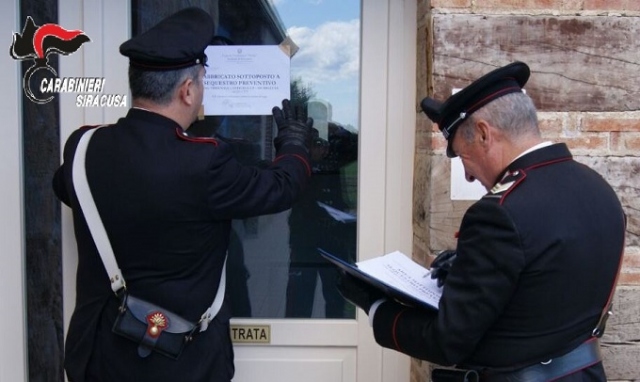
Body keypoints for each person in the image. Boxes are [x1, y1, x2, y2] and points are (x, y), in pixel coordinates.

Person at [52, 7, 312, 382]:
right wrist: (294, 143)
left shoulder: (84, 146)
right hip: (181, 364)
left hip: (97, 359)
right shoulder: (204, 164)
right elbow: (281, 187)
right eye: (202, 82)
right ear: (187, 91)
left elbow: (68, 188)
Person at [336, 61, 626, 381]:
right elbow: (540, 284)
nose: (468, 175)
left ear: (485, 134)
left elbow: (447, 341)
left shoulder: (499, 213)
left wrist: (375, 304)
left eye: (463, 155)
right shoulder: (599, 190)